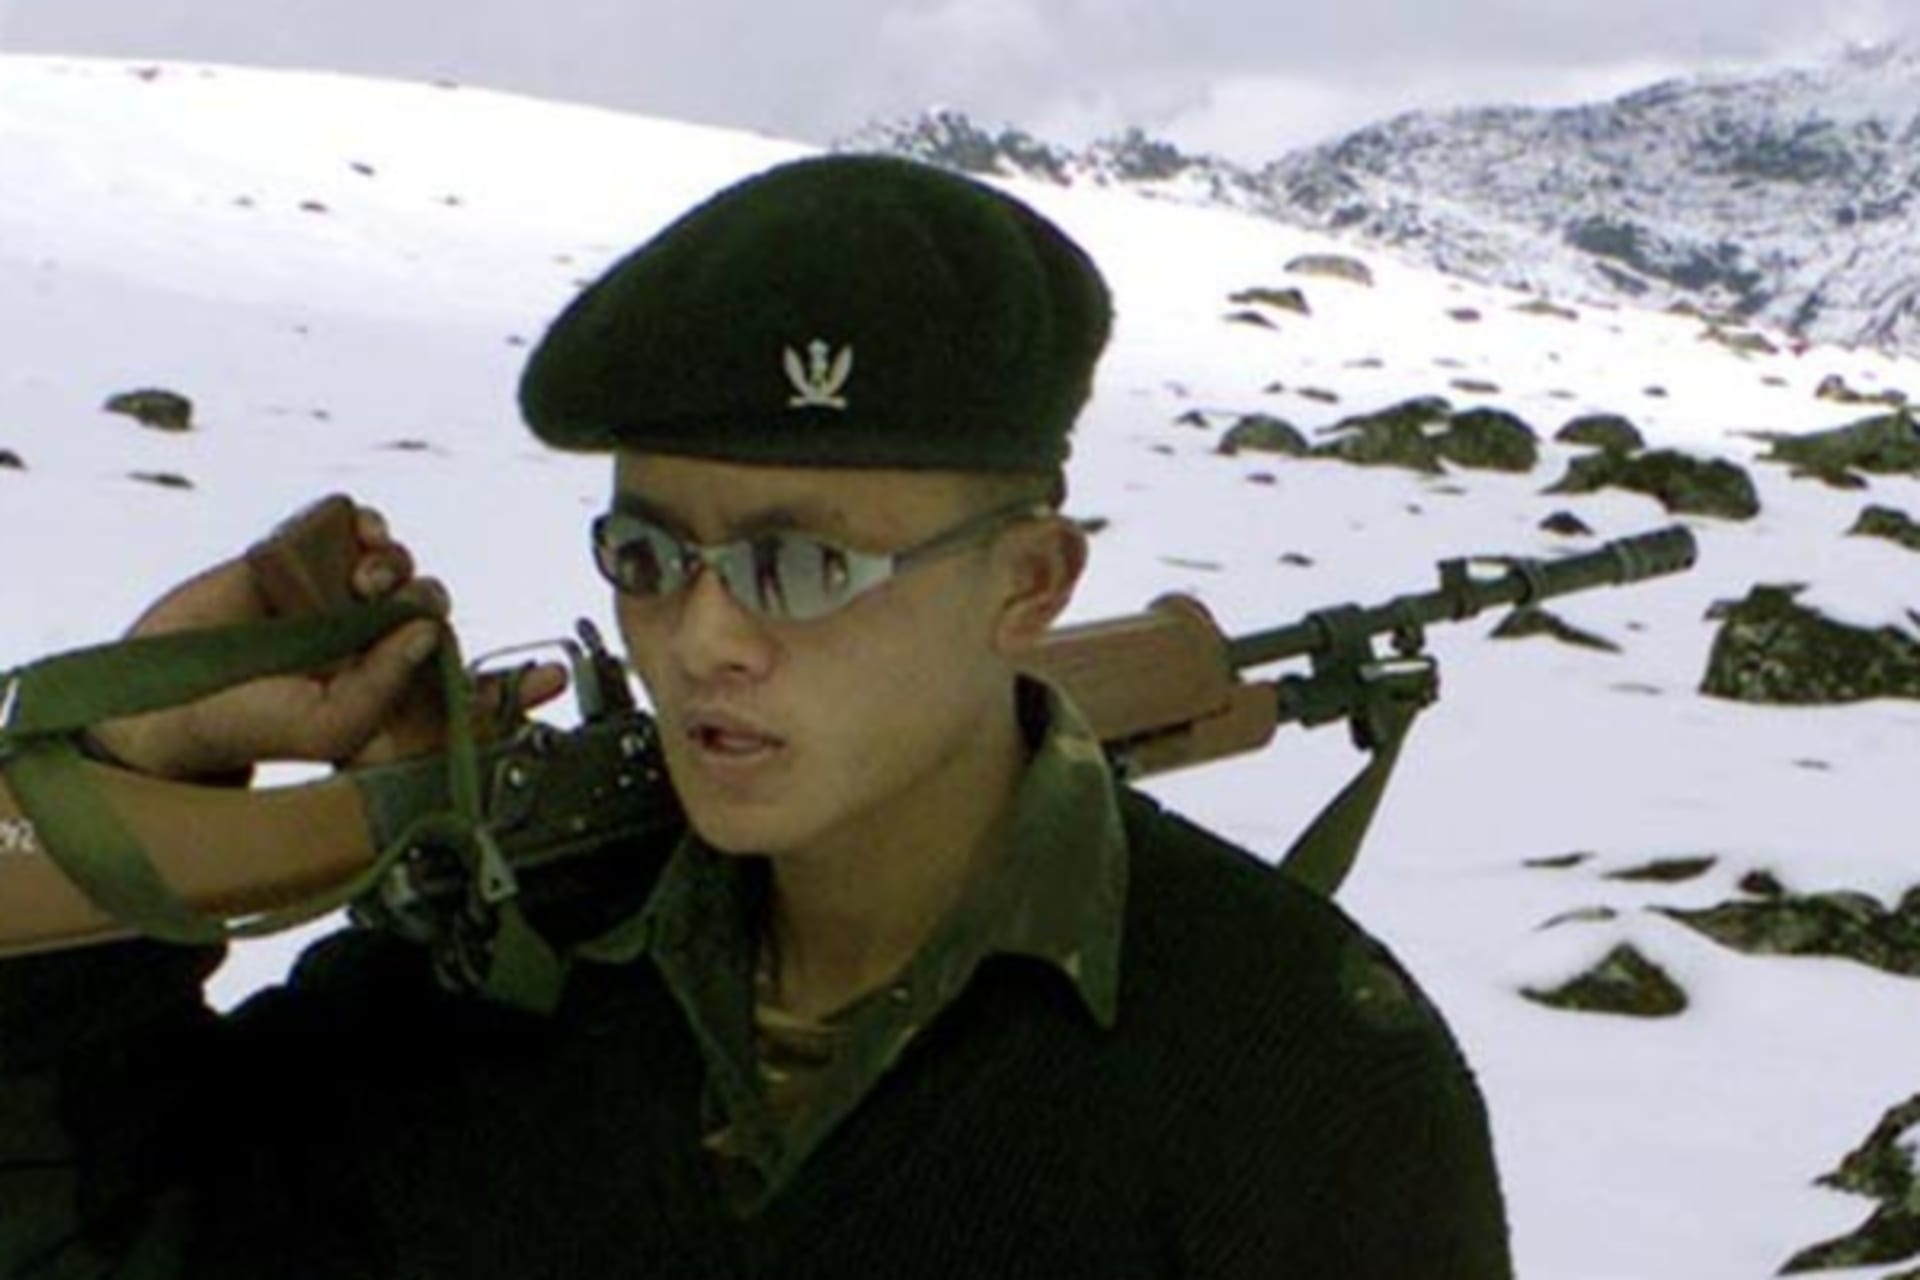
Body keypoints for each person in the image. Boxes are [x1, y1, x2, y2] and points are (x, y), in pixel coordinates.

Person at [0, 155, 1511, 1277]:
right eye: (649, 558)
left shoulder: (1298, 1069)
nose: (703, 638)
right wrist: (147, 757)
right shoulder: (498, 980)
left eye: (802, 565)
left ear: (1029, 582)